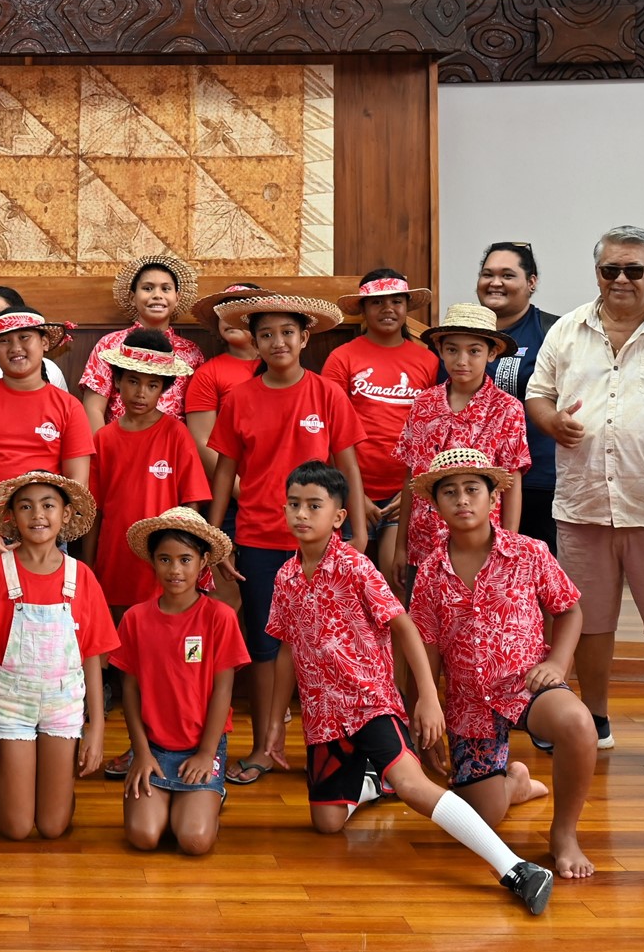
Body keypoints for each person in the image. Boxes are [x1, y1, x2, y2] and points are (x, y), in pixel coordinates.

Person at [262, 460, 556, 915]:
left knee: (416, 788)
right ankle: (377, 782)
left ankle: (515, 868)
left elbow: (405, 628)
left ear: (339, 517)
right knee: (327, 823)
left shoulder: (355, 567)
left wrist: (427, 697)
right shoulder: (285, 578)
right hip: (323, 717)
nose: (303, 514)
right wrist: (275, 724)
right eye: (295, 505)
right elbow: (285, 652)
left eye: (314, 506)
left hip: (370, 705)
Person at [524, 226, 644, 773]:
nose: (620, 279)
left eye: (633, 269)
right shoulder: (567, 331)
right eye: (609, 269)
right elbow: (537, 393)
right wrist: (549, 421)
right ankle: (595, 716)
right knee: (589, 622)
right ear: (597, 273)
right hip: (584, 504)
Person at [203, 291, 368, 786]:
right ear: (254, 342)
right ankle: (261, 746)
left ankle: (332, 749)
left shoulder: (327, 394)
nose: (278, 342)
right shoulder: (239, 400)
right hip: (257, 538)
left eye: (287, 333)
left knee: (322, 646)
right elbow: (225, 472)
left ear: (305, 337)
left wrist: (357, 531)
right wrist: (214, 539)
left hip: (320, 547)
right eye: (267, 334)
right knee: (264, 648)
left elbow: (350, 470)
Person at [408, 449, 597, 879]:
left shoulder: (529, 552)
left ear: (493, 497)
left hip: (526, 683)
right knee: (485, 816)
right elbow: (425, 646)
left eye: (473, 489)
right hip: (467, 702)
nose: (462, 499)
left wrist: (558, 661)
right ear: (435, 506)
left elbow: (569, 610)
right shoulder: (430, 571)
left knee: (578, 724)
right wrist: (424, 708)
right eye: (450, 492)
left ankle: (565, 834)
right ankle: (514, 783)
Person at [0, 472, 116, 840]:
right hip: (11, 704)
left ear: (66, 514)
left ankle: (43, 784)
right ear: (11, 516)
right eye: (25, 506)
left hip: (64, 705)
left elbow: (91, 657)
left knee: (53, 826)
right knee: (16, 827)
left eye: (48, 505)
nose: (37, 515)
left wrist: (97, 729)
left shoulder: (82, 577)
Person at [113, 508, 247, 855]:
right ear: (153, 563)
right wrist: (140, 753)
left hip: (202, 744)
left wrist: (205, 753)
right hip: (154, 748)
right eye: (165, 559)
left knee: (194, 841)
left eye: (186, 559)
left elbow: (223, 689)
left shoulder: (219, 617)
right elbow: (129, 689)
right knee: (143, 837)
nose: (175, 570)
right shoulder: (135, 619)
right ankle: (173, 797)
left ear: (204, 562)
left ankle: (209, 793)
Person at [0, 307, 94, 587]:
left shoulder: (69, 406)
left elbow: (76, 482)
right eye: (4, 341)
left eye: (25, 337)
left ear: (45, 342)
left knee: (45, 625)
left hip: (47, 539)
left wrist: (47, 534)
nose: (15, 347)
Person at [394, 303, 531, 585]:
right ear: (441, 350)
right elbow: (411, 476)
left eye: (474, 351)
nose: (462, 360)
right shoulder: (423, 403)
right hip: (423, 545)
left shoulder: (507, 409)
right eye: (452, 349)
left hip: (480, 546)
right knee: (423, 624)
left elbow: (512, 482)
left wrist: (510, 546)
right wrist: (400, 546)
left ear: (492, 353)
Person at [80, 330, 208, 614]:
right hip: (114, 565)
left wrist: (186, 560)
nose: (141, 393)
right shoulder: (103, 439)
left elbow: (192, 504)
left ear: (163, 389)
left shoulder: (177, 434)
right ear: (117, 381)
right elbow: (94, 511)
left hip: (164, 569)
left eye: (152, 385)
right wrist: (88, 568)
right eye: (133, 382)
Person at [325, 270, 440, 586]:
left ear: (407, 306)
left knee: (396, 579)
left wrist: (415, 491)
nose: (387, 308)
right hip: (350, 490)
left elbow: (435, 431)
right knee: (347, 583)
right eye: (376, 302)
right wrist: (354, 494)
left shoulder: (428, 360)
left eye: (396, 301)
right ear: (362, 309)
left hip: (404, 492)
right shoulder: (341, 358)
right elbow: (330, 431)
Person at [473, 242, 562, 550]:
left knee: (537, 583)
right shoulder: (460, 334)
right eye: (487, 274)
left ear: (531, 282)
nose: (495, 282)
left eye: (507, 275)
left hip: (538, 482)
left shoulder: (554, 333)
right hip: (470, 487)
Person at [77, 255, 206, 431]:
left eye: (166, 289)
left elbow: (198, 417)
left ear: (177, 298)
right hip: (118, 447)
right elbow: (93, 408)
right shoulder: (110, 345)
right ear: (132, 297)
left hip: (172, 449)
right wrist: (104, 451)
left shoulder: (192, 352)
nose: (157, 296)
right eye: (147, 288)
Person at [182, 283, 264, 482]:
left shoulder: (282, 367)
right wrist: (242, 491)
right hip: (234, 493)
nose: (229, 318)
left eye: (239, 311)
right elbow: (203, 443)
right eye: (224, 313)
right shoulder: (208, 374)